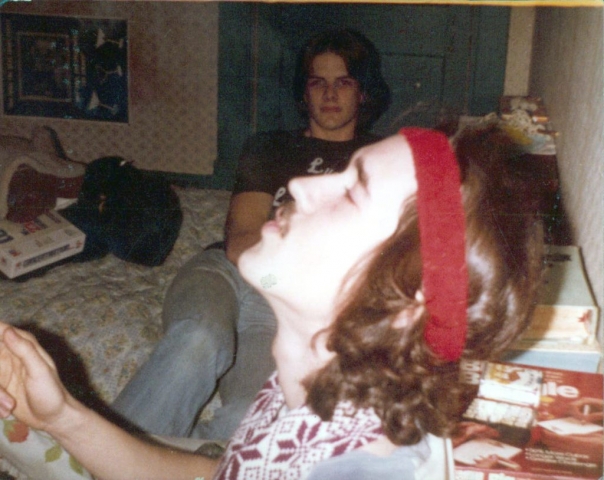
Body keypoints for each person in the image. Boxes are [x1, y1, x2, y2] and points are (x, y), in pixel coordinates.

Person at [0, 124, 545, 479]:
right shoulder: (324, 386)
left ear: (406, 303)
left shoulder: (355, 469)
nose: (302, 185)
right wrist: (64, 417)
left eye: (352, 191)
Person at [110, 28, 391, 442]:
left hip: (282, 306)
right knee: (198, 341)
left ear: (363, 92)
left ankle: (175, 461)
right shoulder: (269, 147)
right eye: (318, 82)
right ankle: (94, 459)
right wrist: (285, 276)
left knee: (250, 415)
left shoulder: (380, 160)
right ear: (304, 92)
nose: (330, 94)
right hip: (225, 272)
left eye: (344, 82)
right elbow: (241, 237)